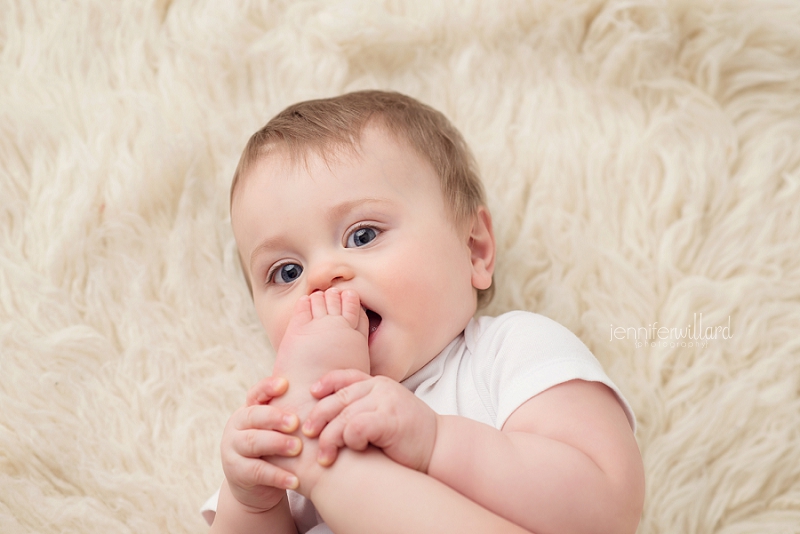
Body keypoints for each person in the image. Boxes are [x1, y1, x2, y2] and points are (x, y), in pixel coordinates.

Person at [203, 90, 645, 534]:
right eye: (287, 272)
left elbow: (607, 505)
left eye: (362, 235)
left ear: (474, 249)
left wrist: (436, 443)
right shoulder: (290, 424)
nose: (319, 278)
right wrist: (252, 504)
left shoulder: (505, 353)